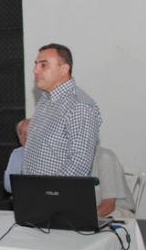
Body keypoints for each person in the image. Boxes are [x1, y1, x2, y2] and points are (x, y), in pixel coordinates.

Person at [23, 43, 101, 176]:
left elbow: (79, 164)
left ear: (64, 69)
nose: (35, 70)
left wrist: (50, 191)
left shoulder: (79, 106)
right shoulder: (45, 100)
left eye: (43, 65)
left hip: (56, 195)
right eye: (35, 64)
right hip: (35, 192)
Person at [91, 146, 136, 218]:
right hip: (94, 212)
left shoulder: (105, 158)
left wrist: (82, 219)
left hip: (118, 211)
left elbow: (108, 206)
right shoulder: (71, 161)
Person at [3, 119, 30, 193]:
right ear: (18, 138)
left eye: (28, 132)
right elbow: (8, 185)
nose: (25, 137)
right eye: (21, 133)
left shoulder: (48, 152)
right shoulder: (17, 153)